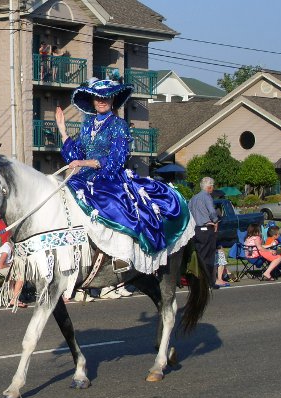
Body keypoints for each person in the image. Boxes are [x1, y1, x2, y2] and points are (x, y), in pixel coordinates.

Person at [54, 75, 190, 277]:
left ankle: (122, 255)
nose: (101, 101)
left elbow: (115, 161)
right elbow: (76, 156)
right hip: (85, 178)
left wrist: (84, 163)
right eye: (97, 97)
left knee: (116, 205)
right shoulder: (88, 125)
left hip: (110, 178)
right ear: (92, 100)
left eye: (106, 98)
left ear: (113, 101)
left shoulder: (119, 125)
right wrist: (63, 132)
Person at [188, 177, 220, 289]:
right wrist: (215, 221)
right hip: (206, 229)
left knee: (199, 255)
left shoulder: (194, 198)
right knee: (209, 257)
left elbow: (189, 211)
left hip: (196, 229)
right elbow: (212, 211)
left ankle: (197, 280)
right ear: (209, 187)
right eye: (212, 186)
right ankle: (209, 282)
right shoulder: (207, 197)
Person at [0, 240, 27, 308]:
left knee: (15, 271)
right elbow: (0, 266)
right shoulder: (7, 248)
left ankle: (12, 298)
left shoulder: (12, 250)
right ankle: (14, 299)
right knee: (19, 273)